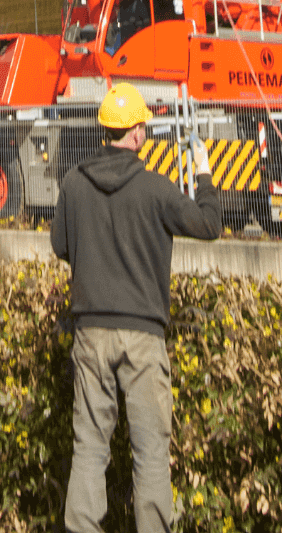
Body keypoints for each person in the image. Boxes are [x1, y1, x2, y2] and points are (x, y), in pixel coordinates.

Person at [49, 81, 221, 533]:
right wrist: (203, 173)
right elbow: (208, 225)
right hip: (144, 337)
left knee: (89, 446)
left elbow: (60, 246)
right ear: (139, 133)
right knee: (151, 455)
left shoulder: (73, 183)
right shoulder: (156, 190)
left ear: (103, 129)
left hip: (90, 332)